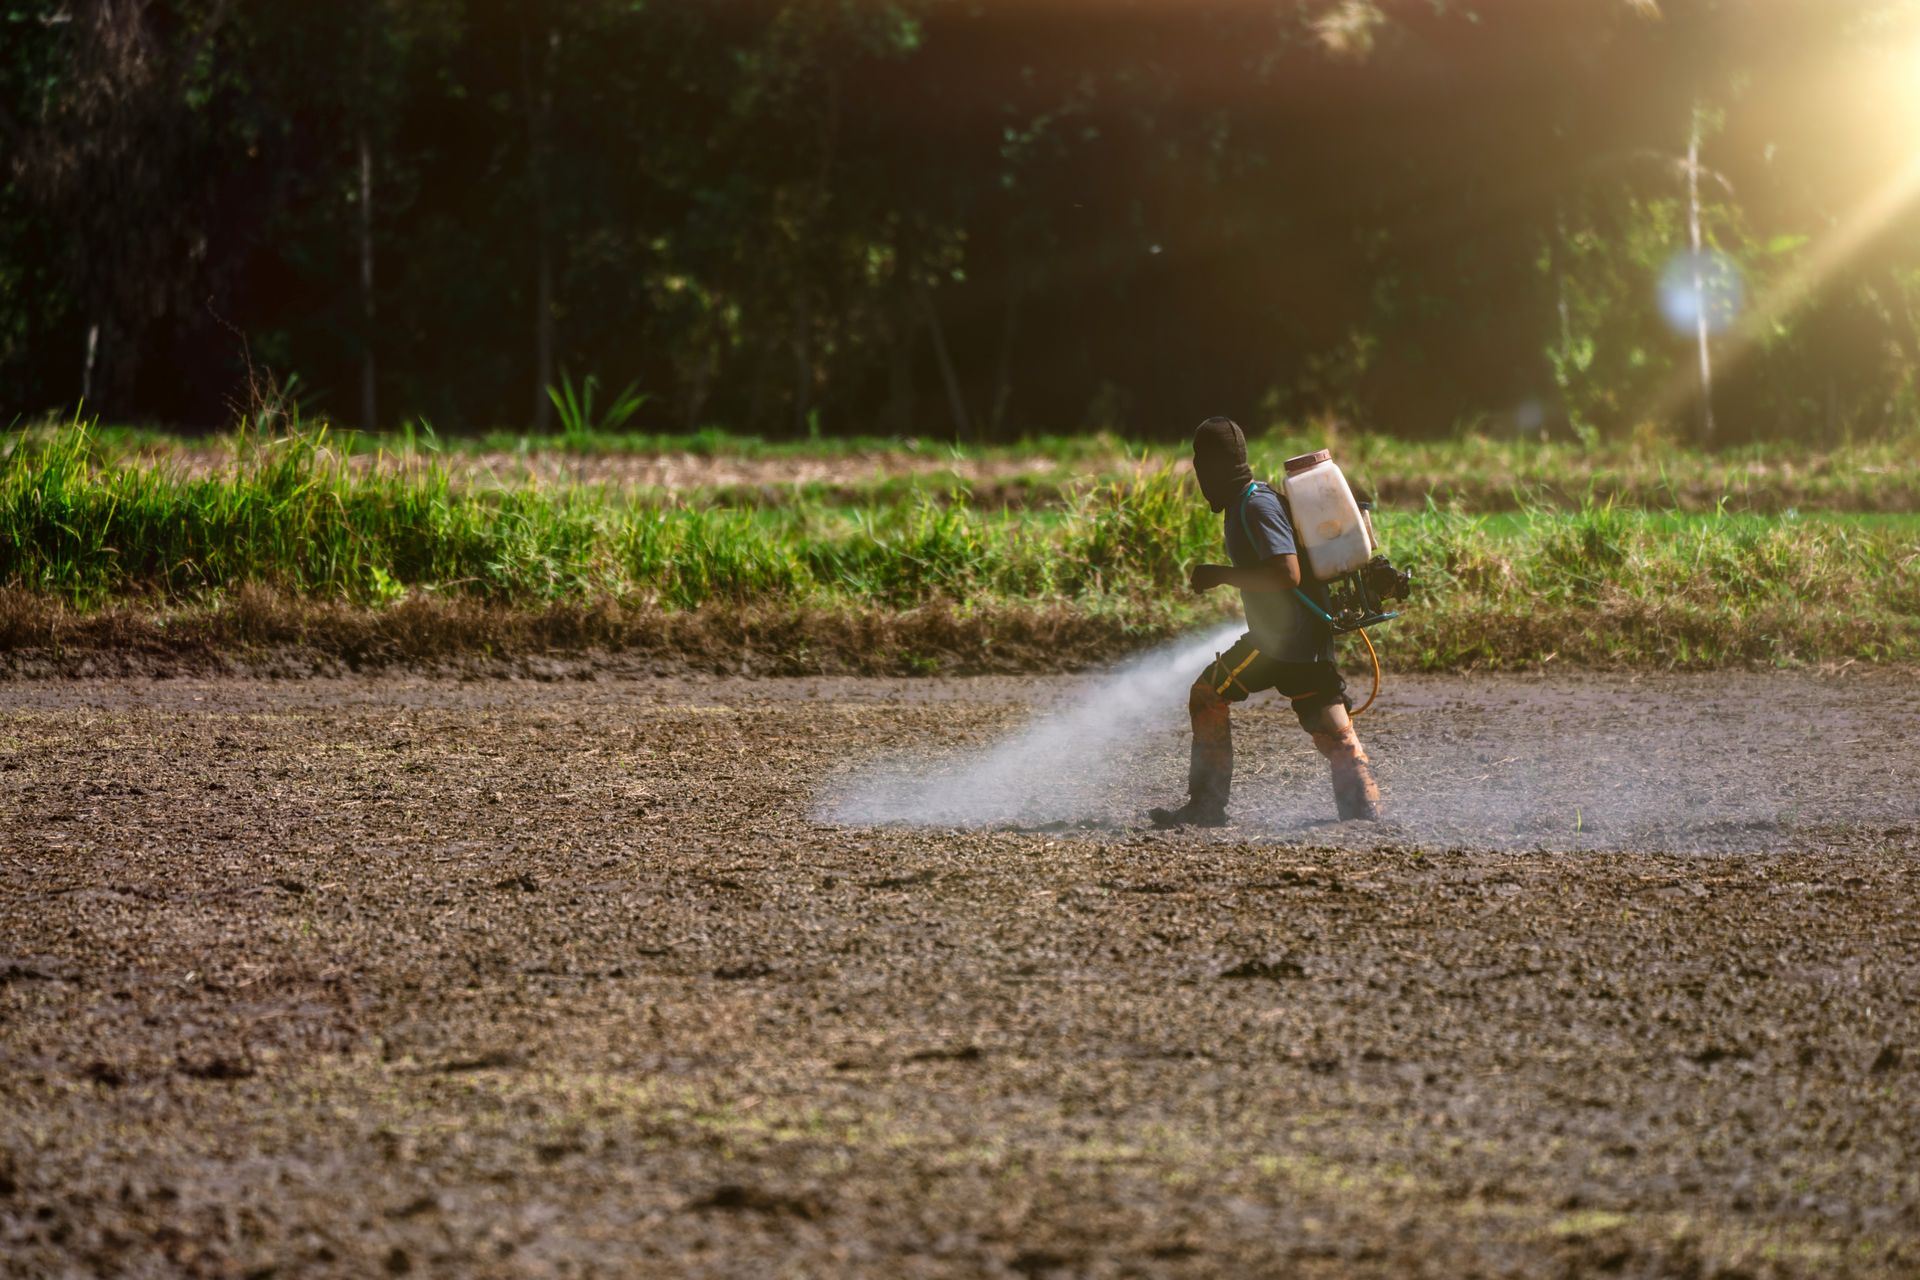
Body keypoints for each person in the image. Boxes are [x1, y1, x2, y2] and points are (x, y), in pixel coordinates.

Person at [1148, 416, 1381, 827]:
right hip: (1302, 639)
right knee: (1332, 732)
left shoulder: (1256, 505)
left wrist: (1219, 574)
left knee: (1207, 694)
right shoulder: (1248, 502)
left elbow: (1286, 573)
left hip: (1279, 641)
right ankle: (1363, 815)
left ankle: (1206, 807)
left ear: (1217, 465)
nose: (1200, 475)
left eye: (1201, 464)